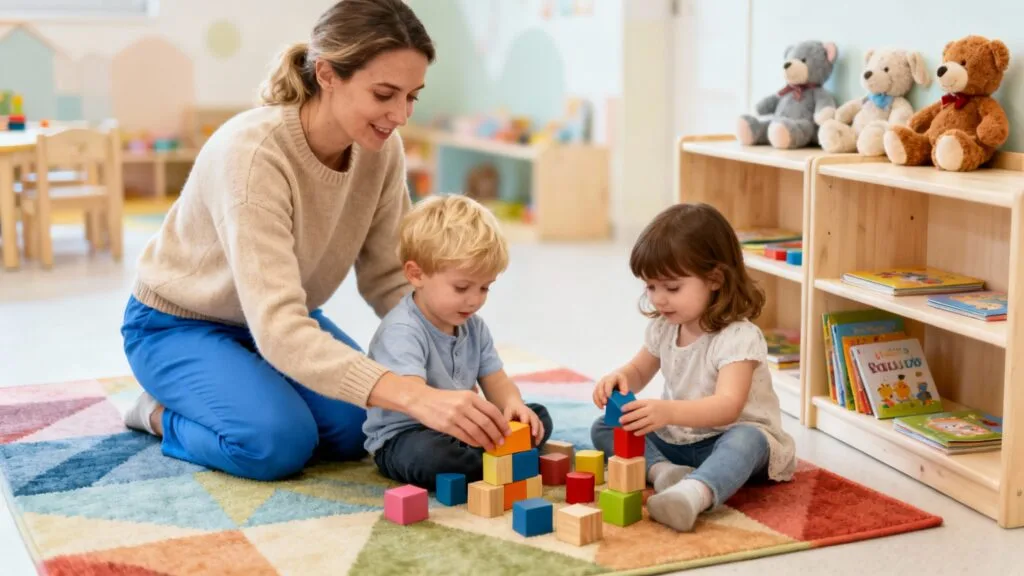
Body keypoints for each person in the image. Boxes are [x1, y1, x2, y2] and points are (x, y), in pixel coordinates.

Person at [119, 0, 512, 482]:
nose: (400, 115)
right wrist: (415, 395)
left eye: (412, 96)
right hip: (179, 324)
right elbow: (280, 326)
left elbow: (394, 277)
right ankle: (158, 414)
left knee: (356, 431)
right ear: (327, 74)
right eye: (385, 94)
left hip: (279, 321)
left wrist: (447, 369)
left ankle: (238, 389)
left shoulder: (381, 149)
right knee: (275, 445)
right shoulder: (253, 155)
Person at [590, 203, 796, 532]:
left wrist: (667, 411)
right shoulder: (664, 327)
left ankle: (693, 494)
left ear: (714, 279)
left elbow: (727, 408)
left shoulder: (739, 337)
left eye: (671, 288)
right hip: (680, 440)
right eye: (651, 287)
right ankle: (663, 473)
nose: (659, 299)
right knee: (605, 426)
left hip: (730, 440)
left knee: (748, 439)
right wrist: (620, 378)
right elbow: (639, 372)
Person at [364, 194, 552, 490]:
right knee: (431, 457)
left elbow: (497, 381)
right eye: (462, 287)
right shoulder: (402, 330)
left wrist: (513, 404)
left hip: (461, 428)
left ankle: (496, 456)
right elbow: (412, 396)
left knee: (537, 416)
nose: (475, 300)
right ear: (416, 274)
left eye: (485, 288)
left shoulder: (473, 327)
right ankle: (498, 460)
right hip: (407, 436)